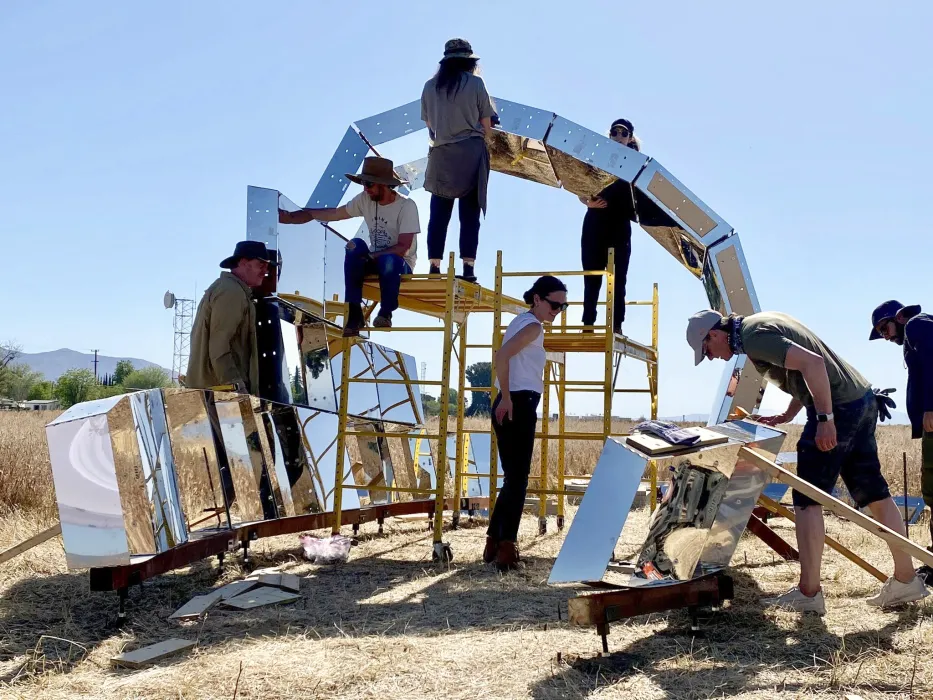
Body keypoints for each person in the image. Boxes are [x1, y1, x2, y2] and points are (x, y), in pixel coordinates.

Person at [686, 309, 929, 612]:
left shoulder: (753, 337)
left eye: (706, 349)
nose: (710, 357)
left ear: (715, 334)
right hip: (861, 400)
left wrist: (826, 419)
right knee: (875, 493)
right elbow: (806, 369)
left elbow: (813, 364)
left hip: (837, 408)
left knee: (807, 498)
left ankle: (809, 593)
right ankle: (906, 580)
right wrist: (787, 415)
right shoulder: (761, 324)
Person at [279, 156, 419, 335]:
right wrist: (294, 217)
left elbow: (403, 247)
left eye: (369, 184)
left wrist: (372, 256)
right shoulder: (365, 199)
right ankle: (354, 313)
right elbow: (335, 213)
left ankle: (386, 313)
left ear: (383, 184)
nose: (365, 189)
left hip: (399, 264)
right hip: (375, 259)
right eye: (363, 184)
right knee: (354, 246)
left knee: (389, 260)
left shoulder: (406, 206)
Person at [486, 276, 568, 571]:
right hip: (517, 402)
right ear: (537, 299)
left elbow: (505, 357)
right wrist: (507, 397)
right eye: (554, 304)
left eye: (563, 306)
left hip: (512, 401)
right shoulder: (532, 326)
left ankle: (494, 541)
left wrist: (504, 397)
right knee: (518, 479)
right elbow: (502, 356)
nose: (557, 311)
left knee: (513, 478)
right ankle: (507, 546)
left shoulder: (521, 322)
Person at [421, 38, 495, 283]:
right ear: (469, 61)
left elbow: (430, 126)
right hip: (470, 153)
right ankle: (468, 268)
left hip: (441, 154)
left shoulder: (430, 87)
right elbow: (486, 124)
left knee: (439, 214)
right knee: (469, 214)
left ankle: (434, 266)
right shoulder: (475, 83)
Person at [870, 300, 933, 582]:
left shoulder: (918, 325)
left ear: (898, 317)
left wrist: (931, 407)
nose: (885, 335)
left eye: (884, 328)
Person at [579, 118, 641, 335]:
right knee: (592, 275)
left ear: (630, 138)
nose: (618, 136)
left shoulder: (637, 163)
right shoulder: (596, 157)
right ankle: (588, 324)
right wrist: (588, 201)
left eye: (623, 133)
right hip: (595, 221)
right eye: (615, 132)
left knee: (618, 278)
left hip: (619, 224)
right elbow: (578, 184)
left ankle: (616, 325)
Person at [187, 240, 273, 394]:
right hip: (219, 392)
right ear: (243, 262)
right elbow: (219, 346)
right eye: (261, 265)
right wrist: (236, 387)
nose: (266, 271)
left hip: (215, 390)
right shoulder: (232, 292)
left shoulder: (232, 289)